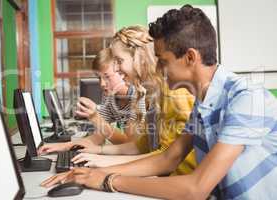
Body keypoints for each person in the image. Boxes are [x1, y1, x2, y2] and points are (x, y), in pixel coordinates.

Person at [41, 5, 277, 200]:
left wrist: (107, 180)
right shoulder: (204, 100)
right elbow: (168, 158)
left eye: (163, 61)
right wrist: (94, 172)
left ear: (190, 57)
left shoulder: (247, 98)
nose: (159, 70)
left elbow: (197, 188)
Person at [69, 26, 196, 175]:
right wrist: (98, 151)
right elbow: (142, 146)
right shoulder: (151, 93)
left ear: (140, 58)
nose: (116, 69)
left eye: (119, 61)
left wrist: (106, 164)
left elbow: (166, 157)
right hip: (161, 174)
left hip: (176, 179)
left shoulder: (173, 93)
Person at [38, 48, 146, 155]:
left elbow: (131, 145)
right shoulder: (109, 96)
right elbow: (99, 137)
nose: (102, 84)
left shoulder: (139, 96)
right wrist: (64, 146)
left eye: (107, 76)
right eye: (99, 78)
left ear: (122, 72)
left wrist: (95, 117)